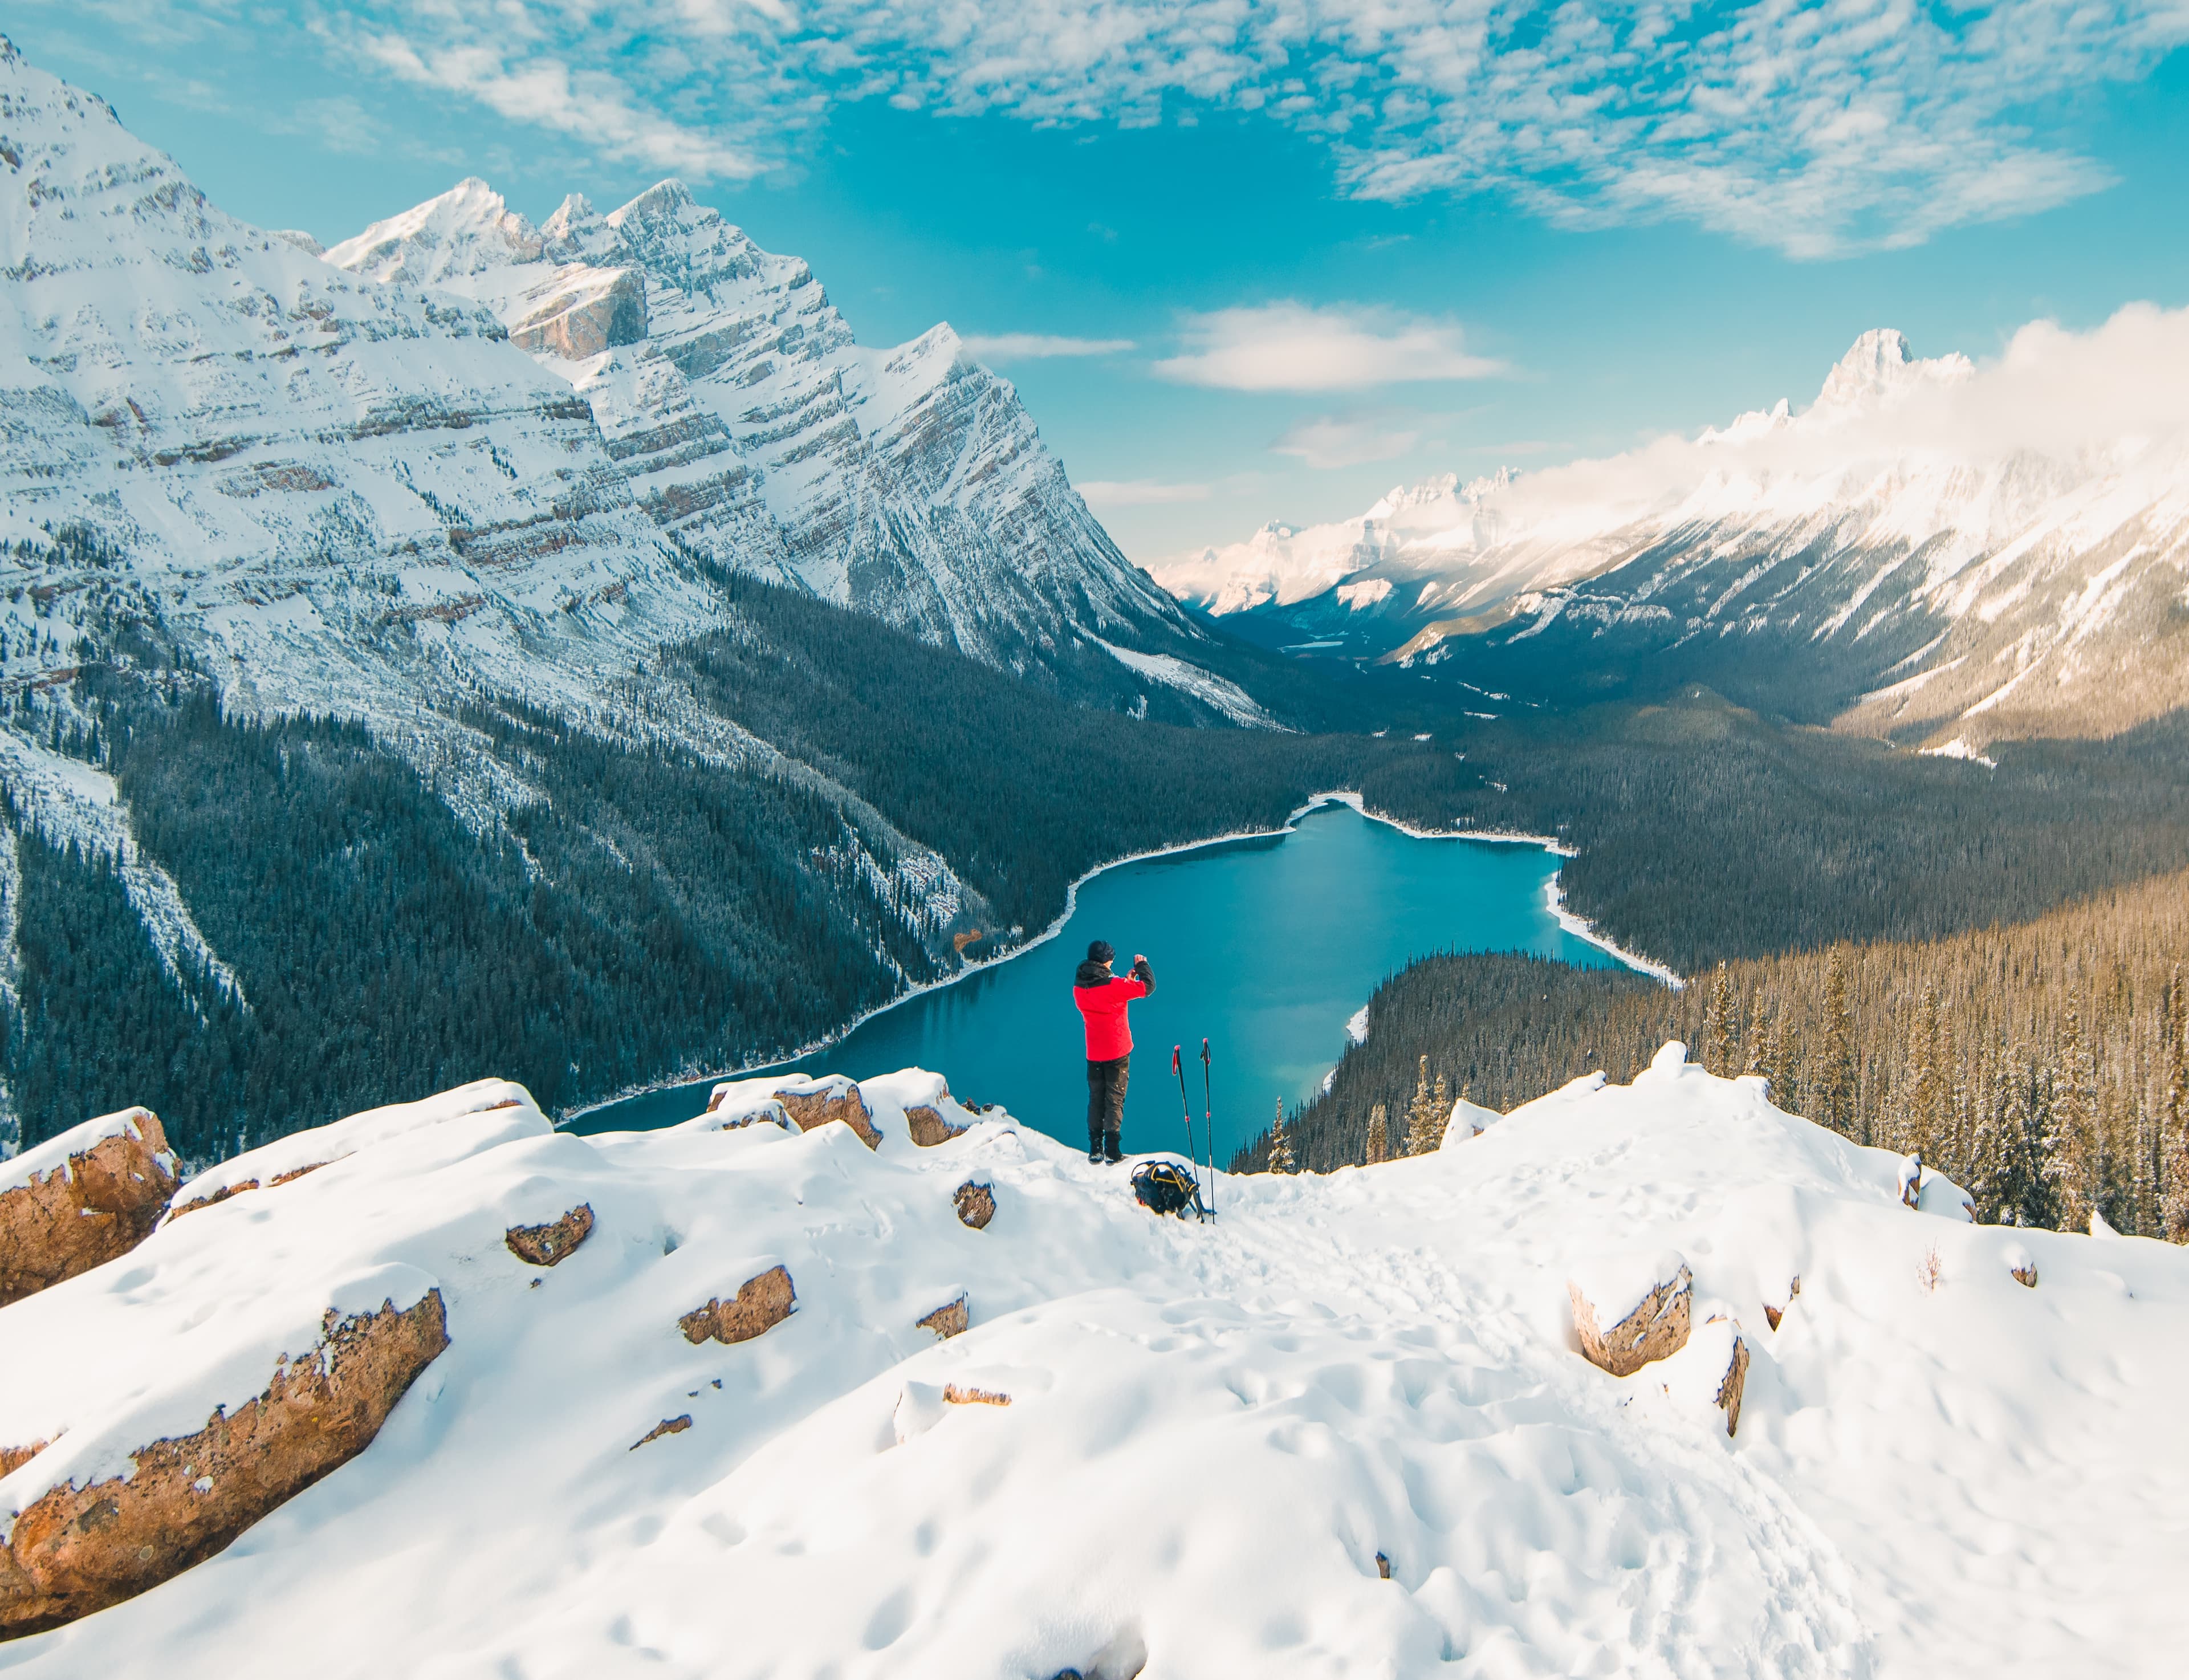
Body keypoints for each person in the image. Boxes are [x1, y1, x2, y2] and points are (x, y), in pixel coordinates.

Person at [1072, 939, 1153, 1164]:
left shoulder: (1079, 987)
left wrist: (1124, 983)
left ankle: (1095, 1149)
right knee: (1114, 1100)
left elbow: (1106, 996)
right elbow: (1148, 987)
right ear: (1105, 961)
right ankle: (1113, 1152)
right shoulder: (1113, 985)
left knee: (1096, 1099)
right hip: (1117, 1052)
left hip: (1094, 1053)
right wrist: (1143, 967)